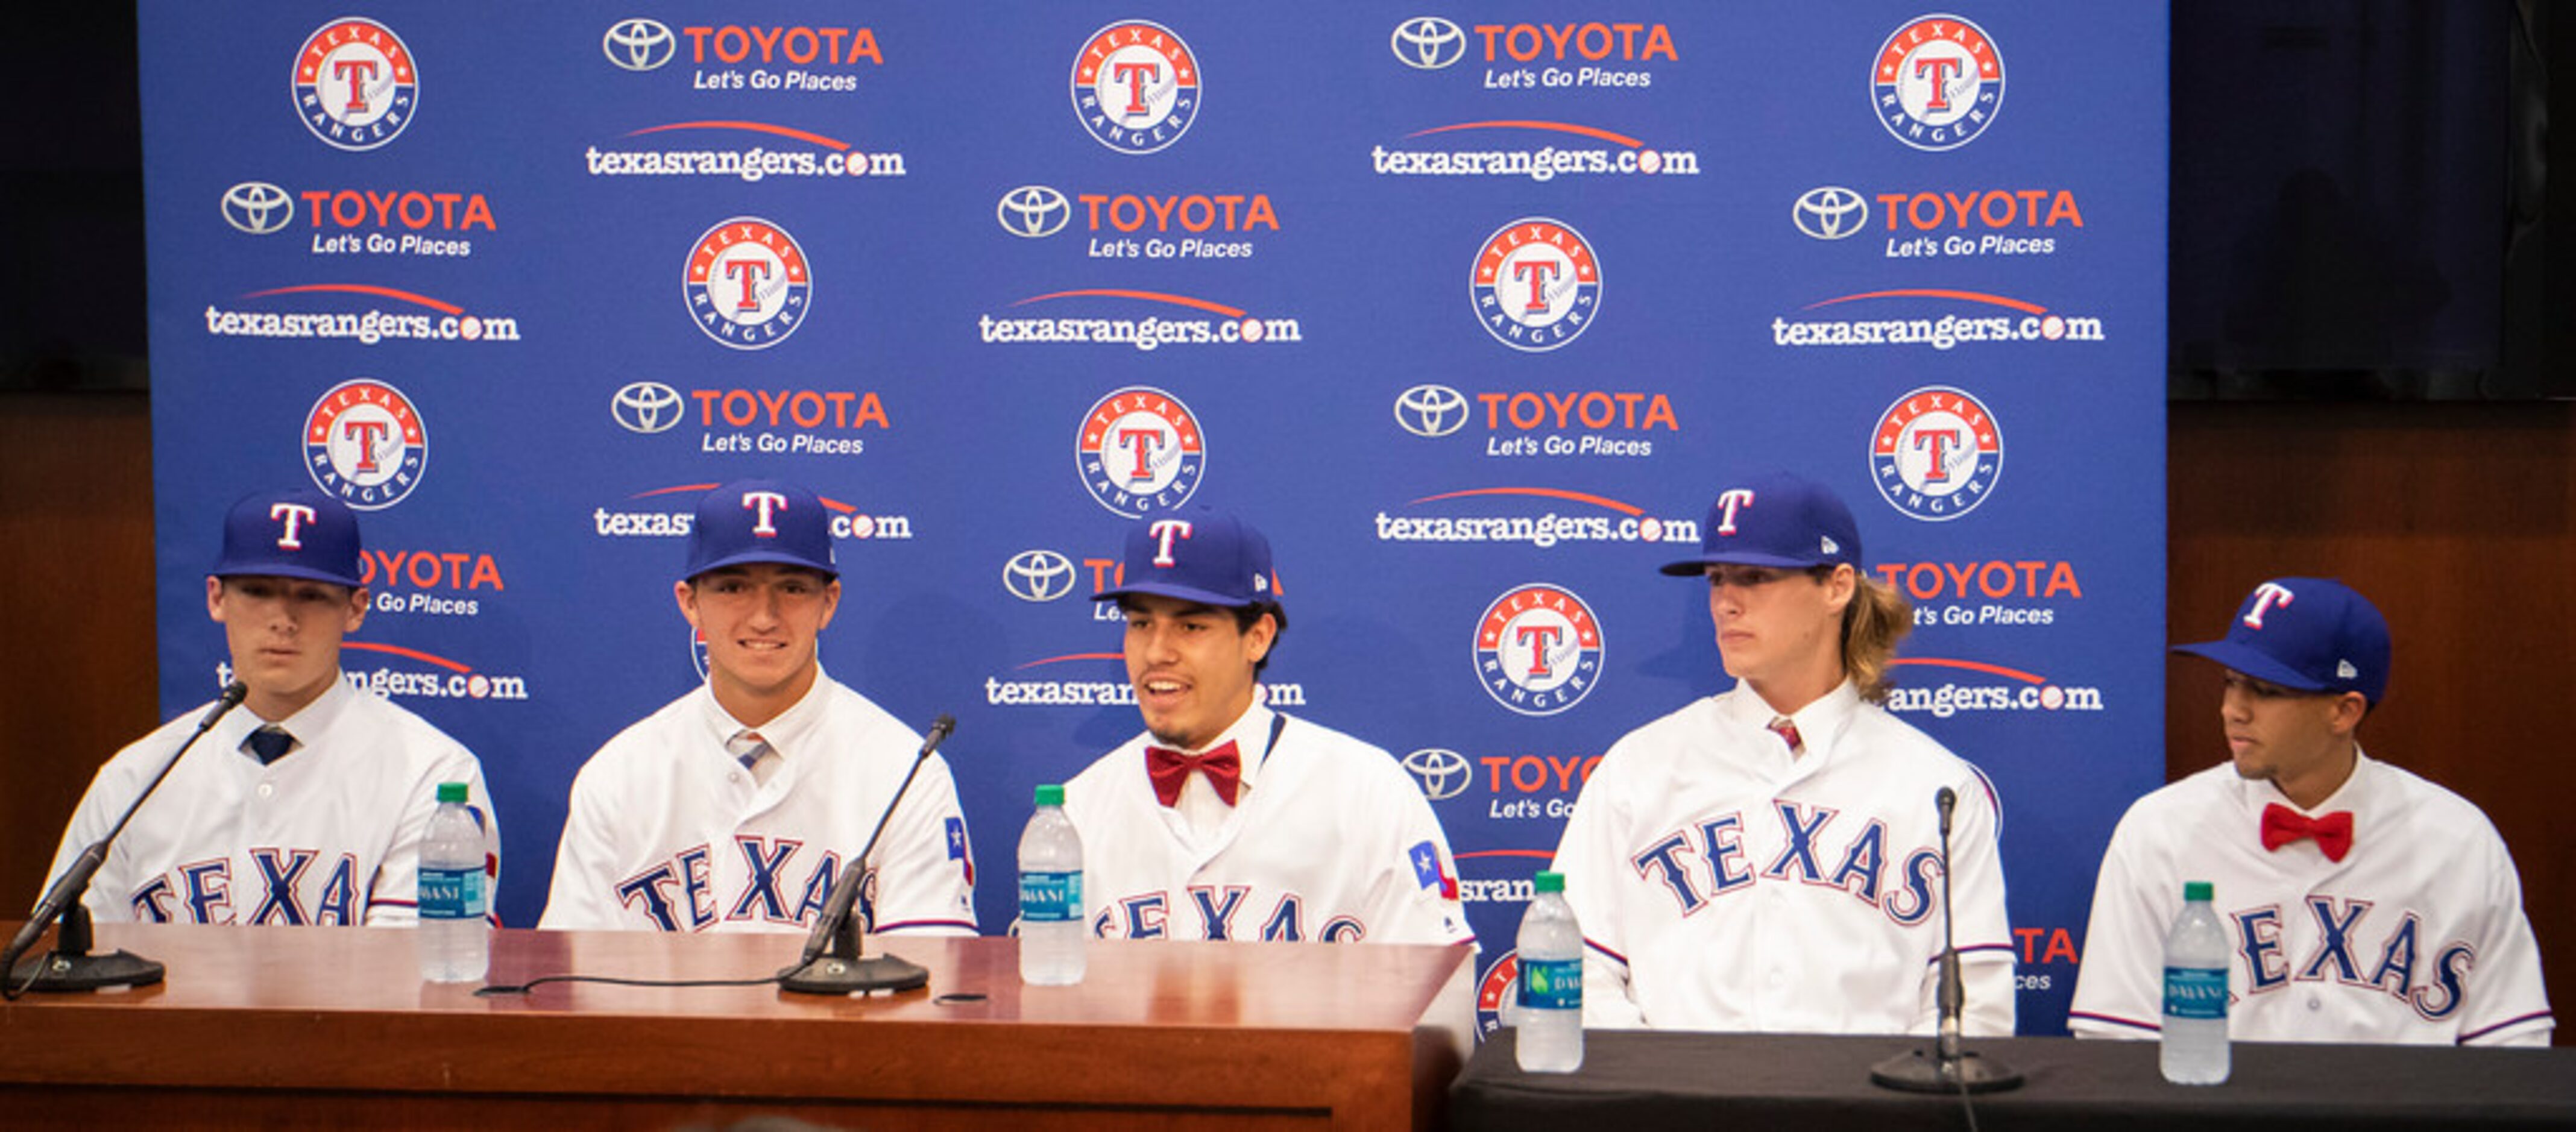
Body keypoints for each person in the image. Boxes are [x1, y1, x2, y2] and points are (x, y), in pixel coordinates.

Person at [1549, 471, 2013, 1033]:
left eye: (1755, 576)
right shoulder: (1640, 766)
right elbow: (1569, 971)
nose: (1725, 602)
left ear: (1837, 587)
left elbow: (1972, 1013)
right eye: (1717, 578)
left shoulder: (1935, 787)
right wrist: (1664, 1091)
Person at [2070, 577, 2552, 1045]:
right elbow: (2115, 1038)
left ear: (2343, 711)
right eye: (2229, 682)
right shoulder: (2159, 832)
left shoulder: (2459, 841)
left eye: (2264, 691)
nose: (2232, 710)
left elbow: (2511, 1046)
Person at [540, 479, 975, 936]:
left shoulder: (905, 770)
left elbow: (930, 974)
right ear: (690, 603)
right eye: (732, 588)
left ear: (829, 603)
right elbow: (572, 981)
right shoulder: (619, 774)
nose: (764, 616)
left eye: (791, 589)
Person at [44, 488, 493, 926]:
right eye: (258, 591)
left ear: (356, 609)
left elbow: (419, 978)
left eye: (312, 595)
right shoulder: (133, 778)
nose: (283, 619)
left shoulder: (432, 773)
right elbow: (70, 970)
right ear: (217, 598)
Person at [1062, 506, 1472, 945]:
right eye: (1141, 624)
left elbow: (1436, 994)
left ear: (1257, 636)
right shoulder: (1078, 810)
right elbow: (1053, 1002)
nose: (1157, 651)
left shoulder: (1368, 790)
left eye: (1191, 626)